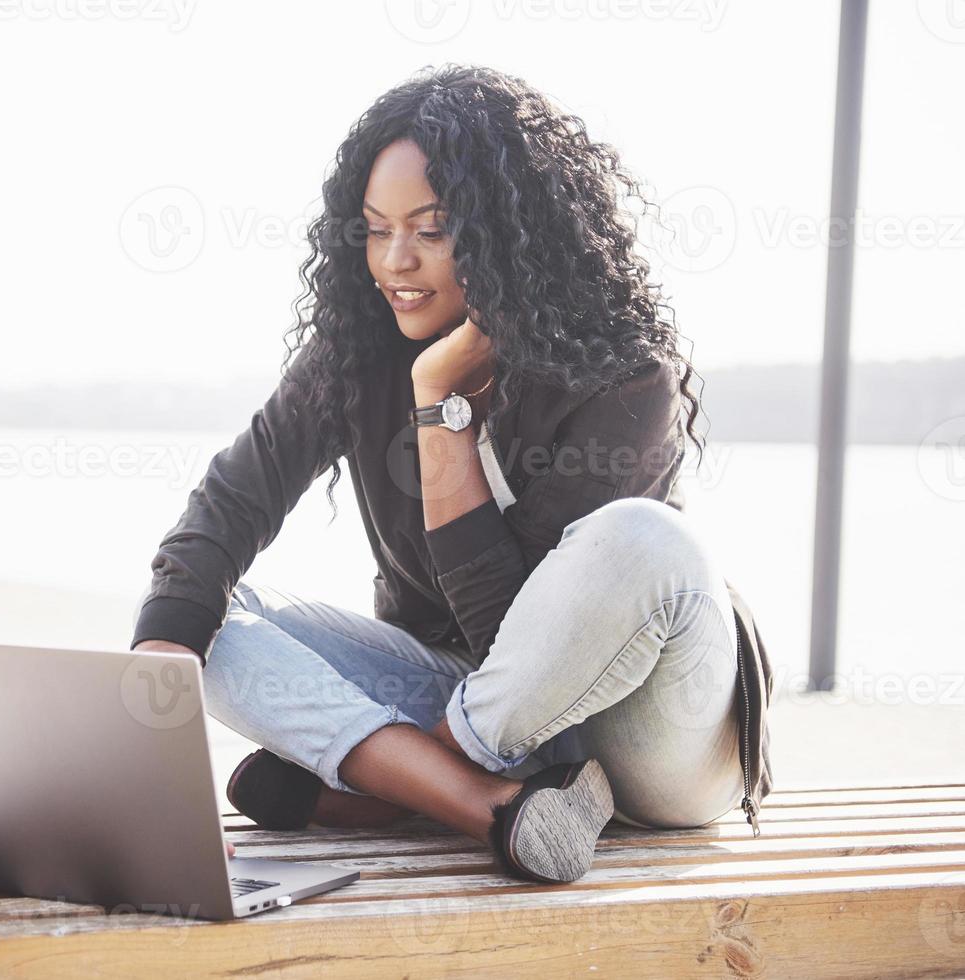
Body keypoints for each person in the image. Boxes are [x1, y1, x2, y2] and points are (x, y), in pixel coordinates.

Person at [129, 64, 774, 884]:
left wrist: (438, 406)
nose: (395, 260)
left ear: (511, 234)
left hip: (645, 735)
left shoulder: (623, 377)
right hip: (477, 702)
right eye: (374, 229)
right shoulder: (353, 360)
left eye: (431, 230)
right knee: (209, 617)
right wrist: (156, 666)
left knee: (644, 540)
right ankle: (485, 806)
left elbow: (521, 641)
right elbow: (230, 504)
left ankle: (399, 785)